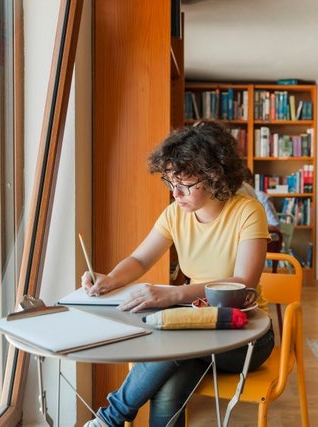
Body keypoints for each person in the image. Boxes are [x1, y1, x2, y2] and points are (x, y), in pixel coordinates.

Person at [82, 121, 275, 427]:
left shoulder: (248, 211)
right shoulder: (175, 214)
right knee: (169, 390)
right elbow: (139, 259)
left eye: (184, 185)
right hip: (196, 329)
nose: (175, 194)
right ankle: (109, 420)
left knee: (172, 344)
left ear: (214, 176)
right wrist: (111, 279)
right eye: (170, 183)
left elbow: (241, 285)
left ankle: (109, 419)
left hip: (246, 335)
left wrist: (175, 294)